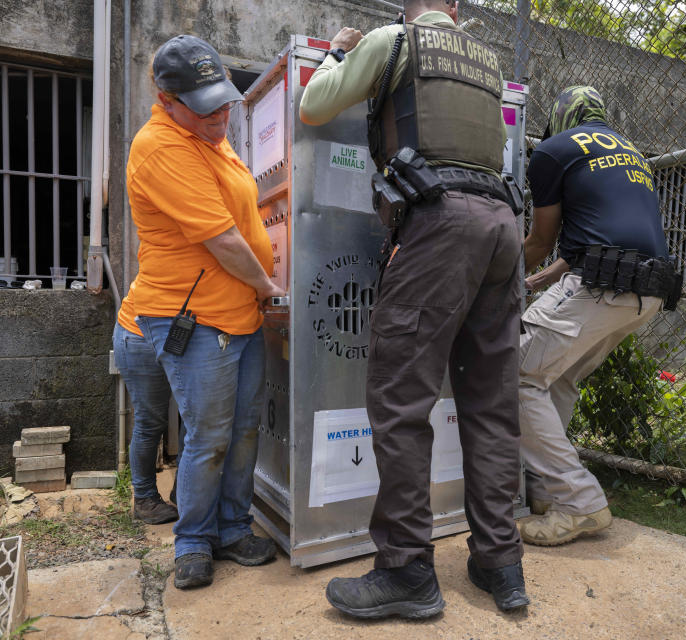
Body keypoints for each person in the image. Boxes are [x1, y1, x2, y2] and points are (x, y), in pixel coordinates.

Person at [300, 0, 528, 618]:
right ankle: (499, 564)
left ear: (409, 5)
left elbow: (312, 105)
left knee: (401, 402)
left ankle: (406, 571)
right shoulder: (485, 62)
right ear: (454, 9)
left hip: (439, 226)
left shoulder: (393, 41)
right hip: (502, 229)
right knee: (490, 405)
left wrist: (337, 53)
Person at [128, 34, 284, 590]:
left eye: (223, 98)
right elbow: (222, 240)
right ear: (167, 100)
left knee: (243, 430)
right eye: (204, 104)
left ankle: (234, 527)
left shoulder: (213, 141)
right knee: (209, 434)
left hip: (238, 314)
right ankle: (193, 541)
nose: (221, 112)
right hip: (195, 318)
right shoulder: (161, 147)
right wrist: (267, 285)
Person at [519, 85, 676, 546]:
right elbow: (581, 246)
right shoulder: (631, 153)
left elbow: (540, 243)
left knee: (514, 376)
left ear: (561, 117)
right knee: (556, 378)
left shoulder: (552, 150)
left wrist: (495, 274)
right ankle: (550, 492)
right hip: (646, 292)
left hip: (601, 289)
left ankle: (580, 502)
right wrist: (533, 284)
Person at [113, 281, 177, 525]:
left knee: (196, 415)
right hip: (139, 334)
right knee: (150, 422)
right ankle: (145, 499)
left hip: (174, 334)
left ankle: (184, 493)